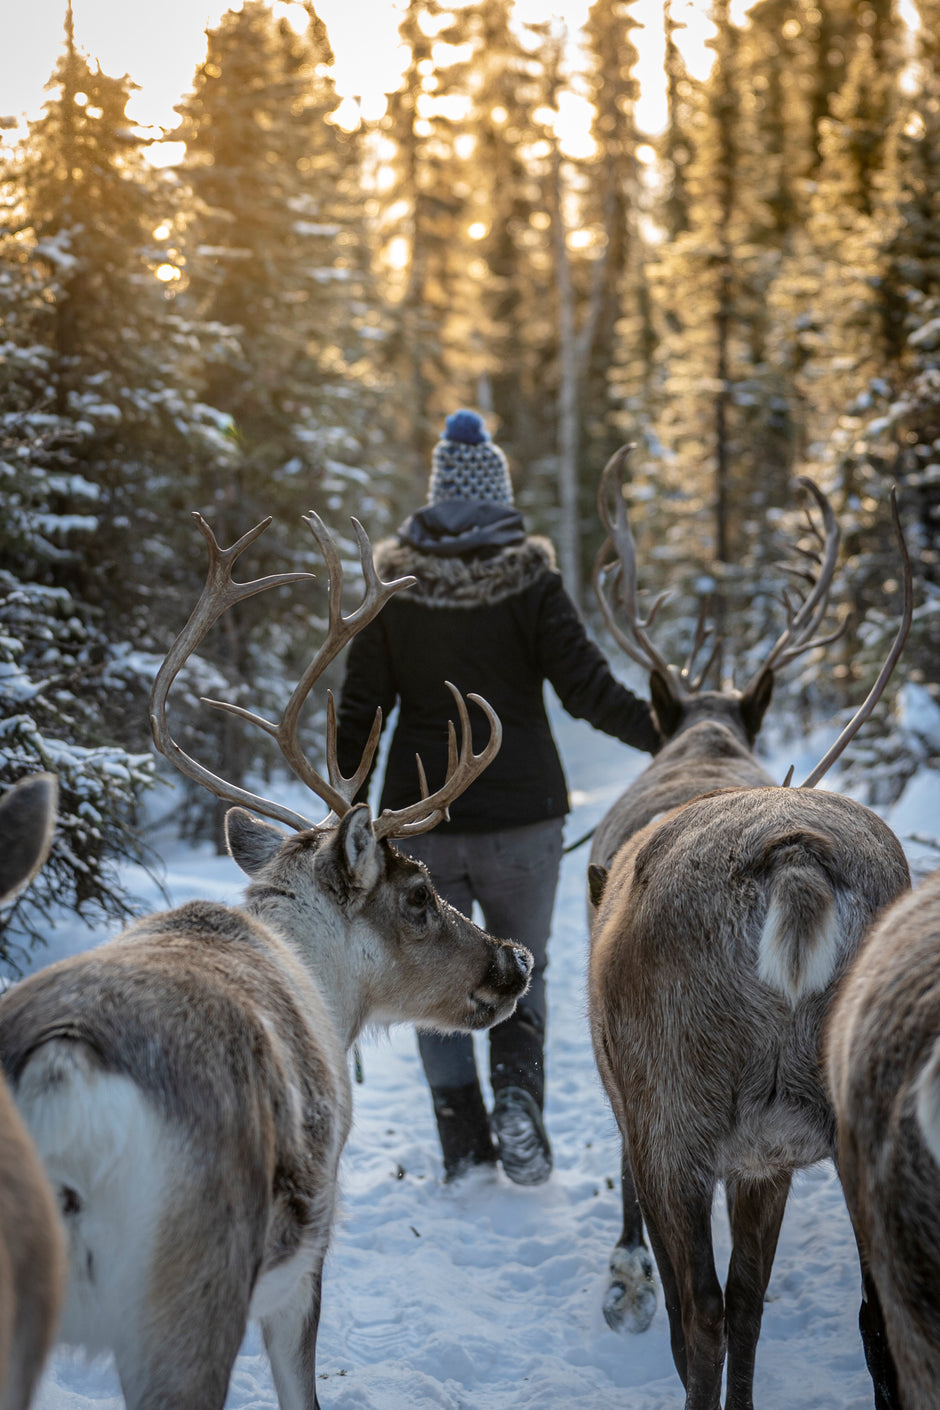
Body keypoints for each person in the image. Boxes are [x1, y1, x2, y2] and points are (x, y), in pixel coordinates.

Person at [335, 409, 661, 1185]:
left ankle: (463, 1143)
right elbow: (587, 690)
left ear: (437, 491)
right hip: (525, 822)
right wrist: (671, 732)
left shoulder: (396, 589)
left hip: (419, 826)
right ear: (500, 491)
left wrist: (344, 802)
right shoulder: (532, 582)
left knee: (429, 972)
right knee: (526, 966)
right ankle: (519, 1097)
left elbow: (360, 710)